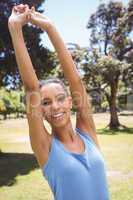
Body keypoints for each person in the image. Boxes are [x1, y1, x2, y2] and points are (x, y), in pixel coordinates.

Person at [8, 4, 110, 200]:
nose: (55, 106)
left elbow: (76, 82)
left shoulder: (87, 132)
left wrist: (50, 28)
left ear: (71, 102)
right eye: (45, 103)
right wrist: (15, 28)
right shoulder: (46, 147)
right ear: (41, 111)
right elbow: (31, 89)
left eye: (60, 99)